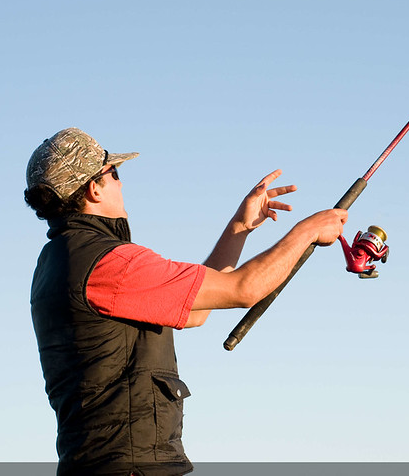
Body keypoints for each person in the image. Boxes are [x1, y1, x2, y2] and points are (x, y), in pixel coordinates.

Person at [24, 127, 347, 476]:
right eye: (113, 173)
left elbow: (198, 310)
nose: (121, 183)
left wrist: (239, 227)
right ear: (94, 189)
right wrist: (308, 231)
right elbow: (244, 289)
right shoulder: (111, 264)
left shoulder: (58, 262)